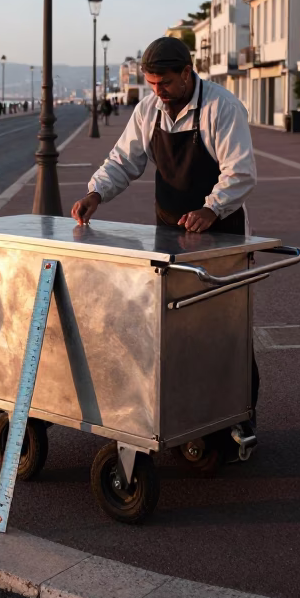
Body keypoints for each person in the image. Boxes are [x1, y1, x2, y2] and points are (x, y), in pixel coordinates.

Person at [71, 36, 259, 457]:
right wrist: (96, 193)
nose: (159, 92)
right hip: (169, 235)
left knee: (225, 329)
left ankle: (239, 419)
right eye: (152, 84)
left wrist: (211, 208)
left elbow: (241, 172)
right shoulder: (148, 110)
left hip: (222, 236)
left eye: (166, 83)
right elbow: (123, 160)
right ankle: (182, 415)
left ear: (187, 73)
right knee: (173, 327)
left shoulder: (222, 107)